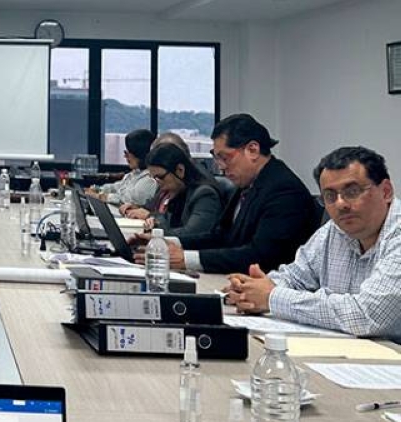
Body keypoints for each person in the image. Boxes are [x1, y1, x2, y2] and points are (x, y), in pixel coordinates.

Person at [225, 146, 401, 340]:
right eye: (330, 196)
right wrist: (253, 290)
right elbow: (295, 278)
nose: (340, 204)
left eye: (352, 191)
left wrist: (272, 297)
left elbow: (366, 315)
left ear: (386, 192)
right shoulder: (334, 231)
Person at [135, 114, 319, 274]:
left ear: (253, 150)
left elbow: (260, 256)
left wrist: (186, 259)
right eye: (217, 158)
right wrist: (166, 242)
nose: (221, 167)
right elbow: (221, 236)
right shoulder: (248, 183)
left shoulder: (283, 190)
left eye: (225, 157)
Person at [138, 143, 223, 236]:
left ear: (180, 170)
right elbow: (167, 222)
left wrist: (156, 232)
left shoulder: (205, 194)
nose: (157, 182)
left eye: (161, 177)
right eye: (154, 178)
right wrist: (155, 221)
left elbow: (191, 234)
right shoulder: (177, 190)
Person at [86, 129, 157, 213]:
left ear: (140, 154)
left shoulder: (150, 179)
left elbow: (127, 199)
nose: (125, 156)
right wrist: (96, 189)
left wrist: (100, 196)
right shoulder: (134, 174)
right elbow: (116, 187)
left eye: (127, 153)